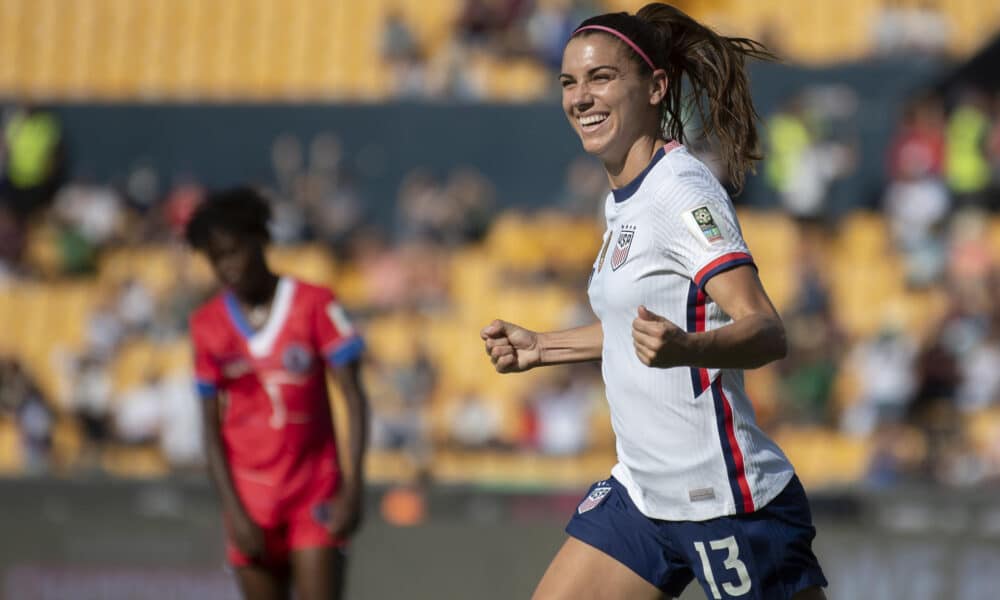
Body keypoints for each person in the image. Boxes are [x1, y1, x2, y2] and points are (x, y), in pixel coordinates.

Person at [481, 5, 827, 599]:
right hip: (644, 492)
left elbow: (766, 329)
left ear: (655, 87)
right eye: (569, 82)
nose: (580, 97)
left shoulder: (680, 192)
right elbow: (640, 324)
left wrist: (689, 348)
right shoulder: (621, 199)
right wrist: (545, 346)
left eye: (601, 78)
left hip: (723, 498)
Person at [186, 187, 369, 600]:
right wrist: (233, 511)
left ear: (260, 240)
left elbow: (354, 398)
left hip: (314, 492)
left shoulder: (314, 304)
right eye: (217, 260)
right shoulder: (207, 325)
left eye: (234, 252)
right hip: (251, 500)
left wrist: (354, 485)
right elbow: (209, 429)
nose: (228, 267)